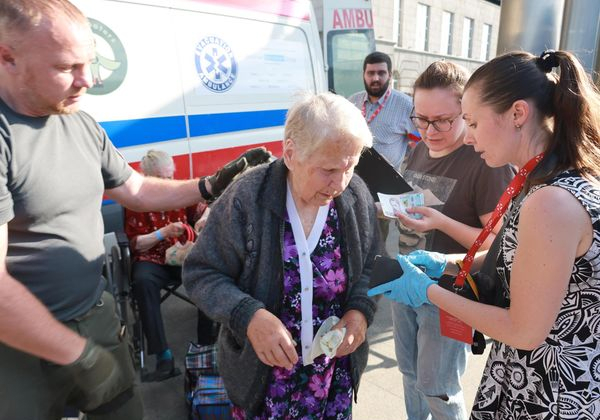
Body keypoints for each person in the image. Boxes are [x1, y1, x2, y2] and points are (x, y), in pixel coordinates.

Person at [0, 1, 269, 418]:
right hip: (19, 346)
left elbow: (136, 189)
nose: (87, 79)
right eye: (67, 67)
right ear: (7, 57)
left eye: (88, 63)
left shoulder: (80, 124)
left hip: (94, 315)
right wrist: (79, 355)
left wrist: (208, 185)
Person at [370, 50, 600, 419]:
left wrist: (425, 289)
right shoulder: (540, 182)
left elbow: (524, 331)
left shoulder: (551, 201)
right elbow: (512, 259)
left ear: (518, 114)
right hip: (535, 380)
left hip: (549, 396)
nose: (470, 137)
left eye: (473, 123)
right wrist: (440, 263)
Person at [183, 92, 380, 419]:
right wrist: (248, 316)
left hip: (333, 377)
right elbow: (201, 273)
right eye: (329, 169)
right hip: (265, 383)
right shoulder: (246, 198)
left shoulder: (355, 195)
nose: (341, 183)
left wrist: (361, 311)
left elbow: (373, 264)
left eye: (351, 166)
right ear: (290, 153)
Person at [386, 61, 514, 420]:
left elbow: (499, 246)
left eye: (443, 120)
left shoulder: (487, 160)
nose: (430, 130)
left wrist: (441, 221)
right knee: (409, 376)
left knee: (438, 389)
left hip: (450, 293)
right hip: (404, 279)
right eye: (421, 119)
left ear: (465, 112)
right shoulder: (419, 149)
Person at [124, 150, 217, 382]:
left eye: (169, 177)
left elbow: (203, 210)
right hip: (151, 259)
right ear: (147, 177)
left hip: (180, 255)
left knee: (208, 275)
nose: (167, 183)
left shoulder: (178, 192)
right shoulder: (136, 199)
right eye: (161, 179)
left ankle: (206, 346)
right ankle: (162, 355)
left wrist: (205, 218)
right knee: (143, 282)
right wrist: (162, 232)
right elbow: (136, 244)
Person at [348, 51, 417, 245]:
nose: (375, 78)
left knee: (375, 240)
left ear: (389, 75)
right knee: (351, 235)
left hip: (382, 188)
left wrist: (404, 172)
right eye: (370, 73)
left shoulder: (405, 104)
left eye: (381, 73)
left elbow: (422, 143)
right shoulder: (353, 101)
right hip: (351, 181)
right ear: (364, 75)